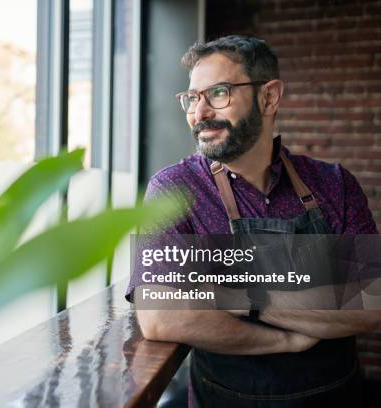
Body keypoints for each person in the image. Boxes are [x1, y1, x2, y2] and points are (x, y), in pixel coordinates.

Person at [127, 35, 381, 407]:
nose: (199, 114)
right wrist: (288, 339)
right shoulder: (174, 188)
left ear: (269, 97)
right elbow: (161, 315)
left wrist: (228, 291)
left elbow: (371, 303)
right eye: (192, 98)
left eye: (218, 93)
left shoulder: (334, 184)